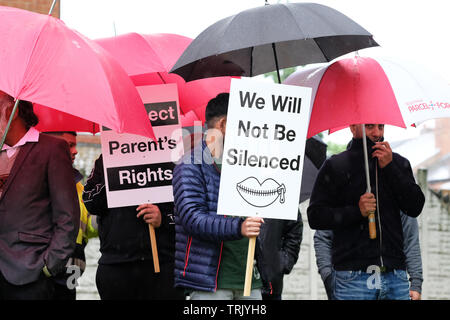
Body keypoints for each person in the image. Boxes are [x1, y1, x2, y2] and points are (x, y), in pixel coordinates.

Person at [307, 123, 425, 300]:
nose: (377, 133)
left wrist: (391, 168)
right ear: (353, 127)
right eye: (369, 126)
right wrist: (357, 211)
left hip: (396, 277)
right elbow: (315, 217)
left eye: (381, 126)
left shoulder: (399, 163)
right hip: (352, 278)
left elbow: (415, 207)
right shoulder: (336, 165)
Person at [172, 93, 264, 300]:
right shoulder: (190, 165)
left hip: (250, 279)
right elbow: (192, 219)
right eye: (243, 123)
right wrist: (238, 227)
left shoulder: (248, 163)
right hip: (211, 284)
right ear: (223, 124)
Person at [0, 92, 79, 300]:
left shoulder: (51, 149)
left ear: (13, 110)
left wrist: (49, 265)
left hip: (30, 274)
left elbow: (68, 217)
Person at [82, 153, 184, 300]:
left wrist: (164, 218)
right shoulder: (106, 159)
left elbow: (191, 211)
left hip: (163, 265)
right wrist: (115, 171)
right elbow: (91, 203)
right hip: (117, 265)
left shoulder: (174, 158)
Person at [314, 212, 423, 300]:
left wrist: (416, 283)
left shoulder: (399, 186)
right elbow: (323, 237)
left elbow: (410, 240)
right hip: (352, 283)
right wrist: (329, 279)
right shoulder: (339, 187)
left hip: (396, 280)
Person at [44, 131, 98, 300]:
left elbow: (87, 228)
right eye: (68, 145)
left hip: (71, 270)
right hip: (47, 270)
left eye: (75, 145)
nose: (75, 151)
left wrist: (105, 215)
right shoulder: (38, 181)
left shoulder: (79, 186)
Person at [256, 212, 303, 300]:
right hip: (234, 280)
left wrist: (283, 262)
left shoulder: (281, 201)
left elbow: (294, 229)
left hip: (270, 282)